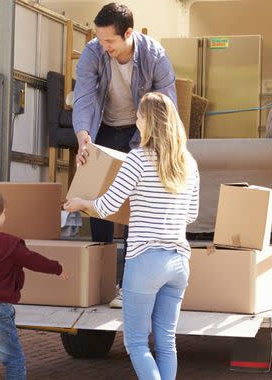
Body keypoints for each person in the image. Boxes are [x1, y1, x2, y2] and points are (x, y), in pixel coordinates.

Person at [65, 92, 199, 380]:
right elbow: (192, 215)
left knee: (136, 342)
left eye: (138, 115)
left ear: (148, 121)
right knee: (166, 342)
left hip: (145, 261)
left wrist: (80, 203)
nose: (135, 120)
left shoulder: (137, 159)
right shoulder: (189, 163)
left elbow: (107, 205)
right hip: (179, 262)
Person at [73, 2, 177, 307]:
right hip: (103, 129)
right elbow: (84, 97)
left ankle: (130, 286)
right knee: (99, 200)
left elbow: (166, 104)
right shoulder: (94, 52)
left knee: (136, 205)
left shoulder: (154, 55)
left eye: (110, 41)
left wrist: (153, 148)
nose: (103, 46)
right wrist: (83, 137)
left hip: (141, 131)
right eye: (100, 39)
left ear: (128, 34)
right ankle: (101, 281)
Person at [0, 190, 68, 380]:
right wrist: (57, 268)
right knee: (14, 360)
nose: (5, 216)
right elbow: (33, 260)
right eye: (4, 213)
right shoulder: (9, 244)